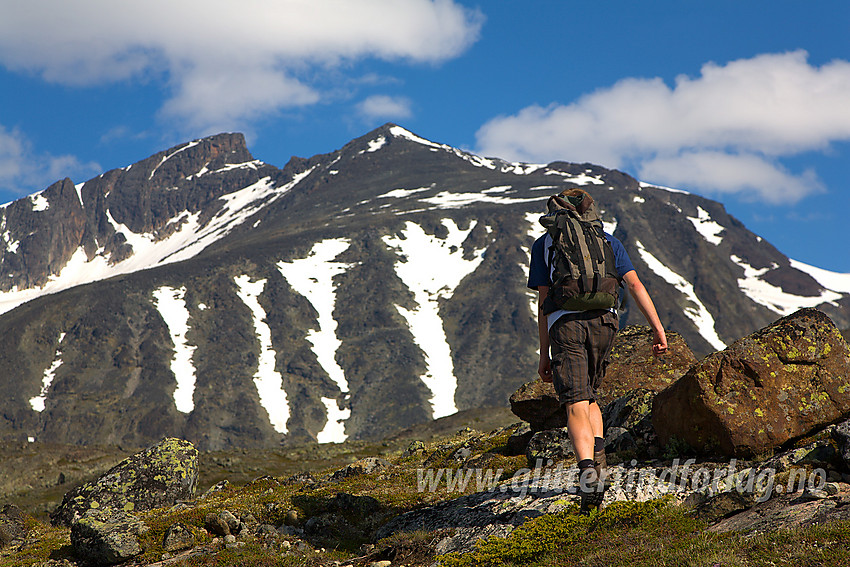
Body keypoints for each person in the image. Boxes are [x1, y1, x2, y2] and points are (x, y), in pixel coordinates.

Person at [527, 188, 668, 513]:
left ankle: (588, 470)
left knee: (575, 401)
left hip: (566, 325)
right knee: (590, 397)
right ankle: (600, 462)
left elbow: (543, 302)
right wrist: (657, 328)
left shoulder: (545, 245)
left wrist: (543, 353)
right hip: (606, 323)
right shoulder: (606, 240)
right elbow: (634, 285)